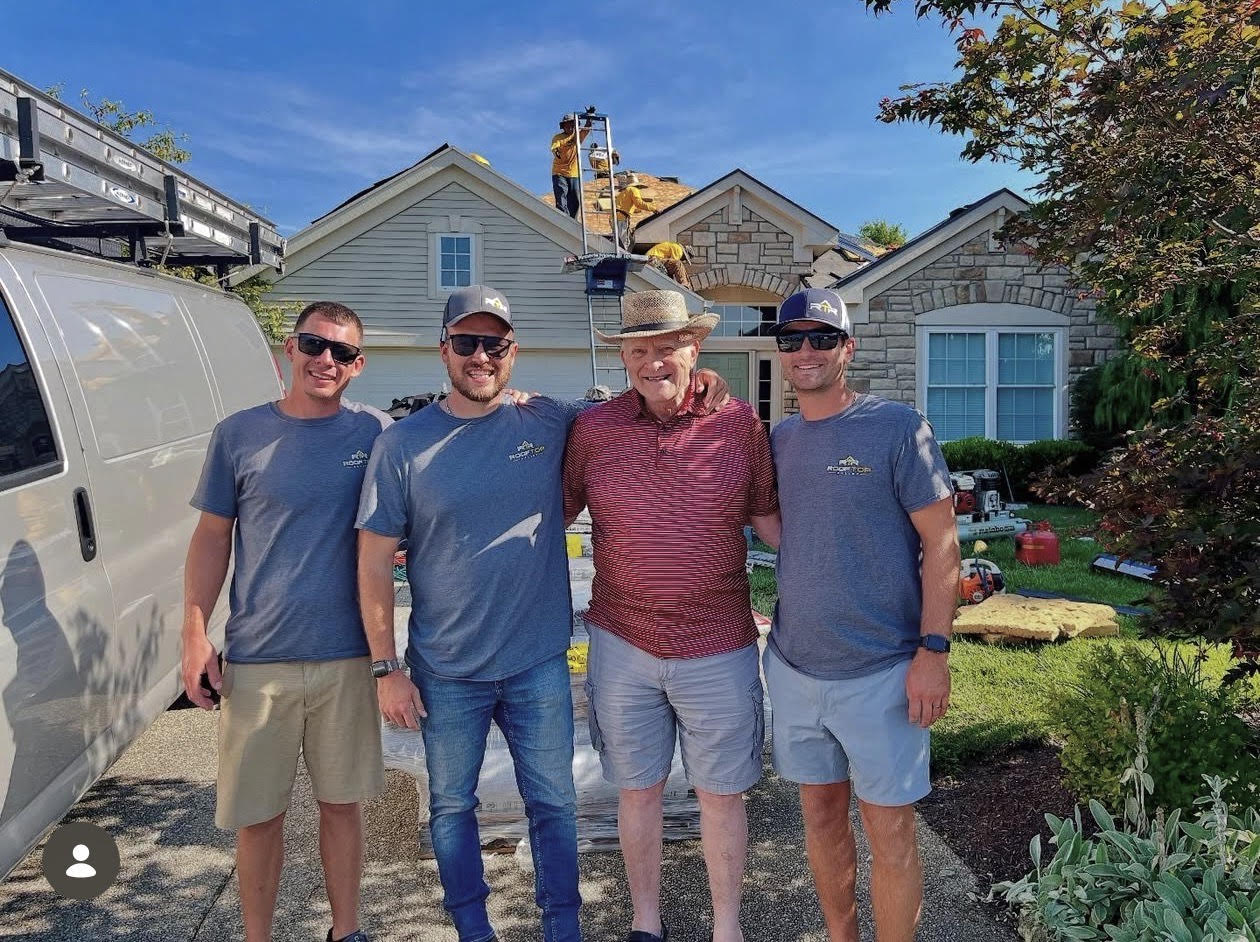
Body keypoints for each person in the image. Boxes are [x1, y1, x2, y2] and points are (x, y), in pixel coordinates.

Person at [355, 284, 732, 942]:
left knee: (554, 804)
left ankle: (563, 927)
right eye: (466, 343)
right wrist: (386, 668)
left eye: (494, 344)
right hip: (446, 669)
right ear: (443, 350)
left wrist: (704, 382)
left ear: (513, 352)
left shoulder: (553, 420)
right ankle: (473, 929)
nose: (480, 356)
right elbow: (372, 562)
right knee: (451, 807)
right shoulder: (403, 446)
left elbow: (637, 401)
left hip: (537, 663)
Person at [561, 290, 780, 942]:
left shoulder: (740, 426)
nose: (653, 361)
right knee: (638, 790)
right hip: (623, 641)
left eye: (667, 347)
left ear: (695, 348)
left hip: (718, 643)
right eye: (639, 350)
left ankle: (727, 927)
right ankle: (646, 922)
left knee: (721, 794)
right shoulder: (594, 430)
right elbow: (553, 511)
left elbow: (769, 519)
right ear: (623, 357)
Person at [182, 300, 387, 942]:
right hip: (258, 658)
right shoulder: (238, 434)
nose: (327, 360)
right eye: (314, 345)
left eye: (343, 352)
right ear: (289, 350)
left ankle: (346, 930)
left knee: (342, 807)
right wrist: (194, 634)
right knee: (258, 816)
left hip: (348, 656)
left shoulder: (377, 434)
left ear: (358, 365)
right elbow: (211, 538)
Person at [763, 288, 959, 942]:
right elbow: (785, 530)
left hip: (883, 671)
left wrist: (933, 651)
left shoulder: (899, 428)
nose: (807, 350)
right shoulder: (780, 438)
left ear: (848, 348)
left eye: (822, 338)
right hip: (795, 667)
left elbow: (943, 545)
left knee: (890, 833)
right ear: (781, 352)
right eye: (792, 339)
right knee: (820, 818)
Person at [551, 114, 592, 219]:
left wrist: (589, 118)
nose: (570, 127)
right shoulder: (558, 138)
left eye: (572, 125)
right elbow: (554, 148)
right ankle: (563, 219)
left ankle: (572, 221)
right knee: (561, 195)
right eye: (567, 125)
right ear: (563, 126)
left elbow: (586, 130)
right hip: (559, 172)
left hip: (574, 173)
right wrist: (557, 152)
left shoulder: (577, 136)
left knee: (575, 200)